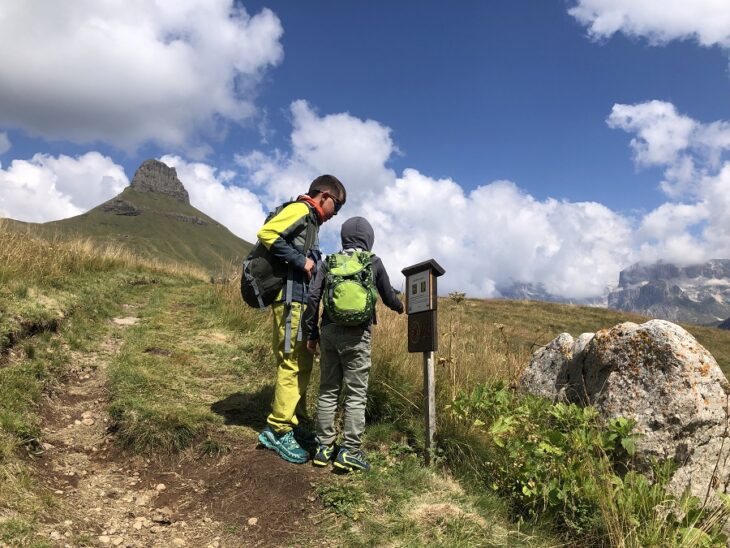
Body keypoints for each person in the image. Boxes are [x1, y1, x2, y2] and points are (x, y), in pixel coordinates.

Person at [257, 175, 347, 464]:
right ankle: (278, 429)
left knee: (303, 362)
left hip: (300, 301)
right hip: (289, 299)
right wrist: (301, 261)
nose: (336, 213)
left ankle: (294, 421)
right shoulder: (299, 210)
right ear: (324, 196)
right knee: (291, 362)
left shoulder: (311, 222)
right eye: (337, 205)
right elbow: (267, 233)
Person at [303, 216, 404, 472]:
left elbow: (313, 297)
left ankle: (323, 448)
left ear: (344, 237)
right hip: (358, 335)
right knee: (356, 393)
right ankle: (350, 451)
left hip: (328, 331)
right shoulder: (373, 262)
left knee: (328, 390)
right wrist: (401, 307)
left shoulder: (329, 262)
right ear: (369, 239)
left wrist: (311, 333)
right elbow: (388, 296)